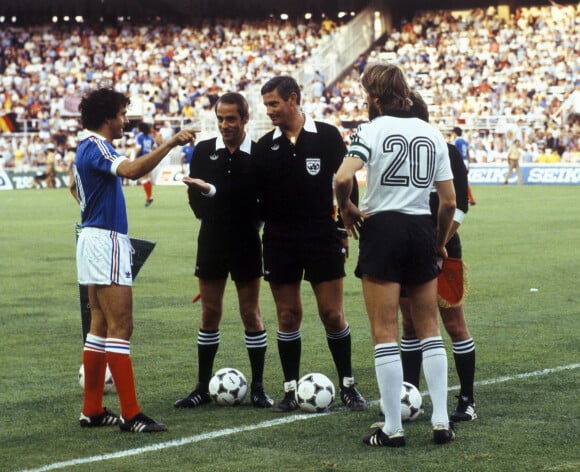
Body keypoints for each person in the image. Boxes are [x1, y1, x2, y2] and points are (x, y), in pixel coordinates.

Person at [334, 63, 457, 447]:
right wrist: (438, 241)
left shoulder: (370, 130)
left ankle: (393, 427)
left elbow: (341, 178)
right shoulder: (431, 132)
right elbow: (449, 202)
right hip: (421, 227)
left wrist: (346, 208)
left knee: (384, 333)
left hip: (383, 228)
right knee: (429, 330)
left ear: (371, 96)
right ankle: (441, 421)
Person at [71, 87, 196, 433]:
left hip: (93, 237)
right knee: (121, 325)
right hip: (105, 240)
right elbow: (132, 171)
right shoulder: (97, 146)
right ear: (108, 117)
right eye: (123, 114)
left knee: (99, 324)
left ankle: (92, 409)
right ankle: (131, 414)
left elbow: (74, 187)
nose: (126, 120)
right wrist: (170, 144)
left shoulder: (84, 148)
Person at [252, 75, 366, 413]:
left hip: (321, 234)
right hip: (278, 238)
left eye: (274, 103)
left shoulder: (327, 135)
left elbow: (346, 182)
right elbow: (255, 198)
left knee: (332, 314)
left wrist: (344, 225)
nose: (270, 111)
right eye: (266, 106)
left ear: (293, 99)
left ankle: (348, 385)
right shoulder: (264, 146)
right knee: (288, 316)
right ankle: (289, 390)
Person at [175, 92, 273, 409]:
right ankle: (202, 387)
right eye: (220, 119)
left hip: (246, 240)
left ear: (245, 119)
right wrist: (213, 207)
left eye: (231, 118)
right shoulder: (204, 151)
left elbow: (258, 202)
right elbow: (195, 198)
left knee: (251, 313)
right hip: (212, 239)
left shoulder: (259, 154)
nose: (225, 124)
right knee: (209, 313)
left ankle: (258, 387)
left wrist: (216, 195)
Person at [400, 91, 477, 423]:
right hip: (406, 248)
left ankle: (467, 400)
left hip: (445, 252)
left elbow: (459, 205)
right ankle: (408, 396)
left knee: (455, 325)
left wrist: (440, 242)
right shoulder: (399, 154)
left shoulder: (445, 151)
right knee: (408, 326)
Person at [452, 126, 476, 205]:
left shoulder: (455, 141)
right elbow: (467, 152)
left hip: (459, 162)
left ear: (455, 133)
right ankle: (470, 199)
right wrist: (468, 163)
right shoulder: (465, 141)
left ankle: (468, 199)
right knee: (464, 181)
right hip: (465, 162)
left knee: (458, 181)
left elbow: (455, 153)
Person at [135, 122, 156, 206]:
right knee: (147, 178)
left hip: (142, 158)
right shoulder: (150, 137)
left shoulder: (139, 137)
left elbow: (139, 148)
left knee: (143, 178)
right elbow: (154, 148)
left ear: (140, 128)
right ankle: (149, 197)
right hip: (149, 158)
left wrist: (133, 158)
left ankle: (149, 197)